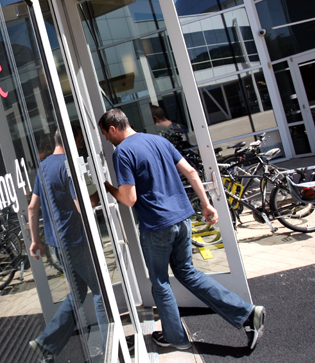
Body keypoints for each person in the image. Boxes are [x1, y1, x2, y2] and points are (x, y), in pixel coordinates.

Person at [99, 108, 265, 350]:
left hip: (157, 226)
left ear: (113, 129)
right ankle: (248, 313)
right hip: (183, 218)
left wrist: (107, 187)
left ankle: (176, 338)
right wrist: (206, 204)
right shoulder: (159, 141)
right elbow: (191, 172)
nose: (107, 140)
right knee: (187, 272)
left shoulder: (122, 152)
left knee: (160, 281)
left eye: (105, 134)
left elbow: (129, 198)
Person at [28, 129, 108, 362]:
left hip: (57, 245)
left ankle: (45, 343)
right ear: (76, 140)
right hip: (75, 240)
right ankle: (111, 347)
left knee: (78, 292)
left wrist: (35, 240)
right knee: (101, 292)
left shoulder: (43, 167)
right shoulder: (68, 166)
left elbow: (32, 208)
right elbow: (81, 205)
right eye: (80, 140)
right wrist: (97, 197)